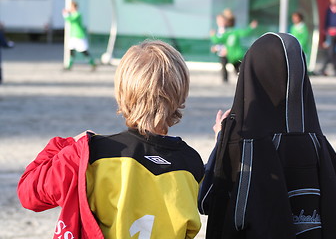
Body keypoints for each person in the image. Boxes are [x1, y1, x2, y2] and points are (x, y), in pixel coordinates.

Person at [17, 40, 205, 239]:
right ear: (181, 93)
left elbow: (30, 193)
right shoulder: (191, 164)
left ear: (122, 92)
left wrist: (68, 145)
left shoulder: (94, 155)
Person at [198, 33, 336, 239]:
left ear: (251, 73)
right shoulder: (318, 144)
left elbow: (207, 200)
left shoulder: (243, 142)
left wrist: (221, 143)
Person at [210, 9, 257, 82]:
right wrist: (251, 27)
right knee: (239, 71)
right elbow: (244, 32)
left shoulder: (228, 33)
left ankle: (241, 81)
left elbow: (217, 40)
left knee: (239, 72)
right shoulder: (231, 32)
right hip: (235, 56)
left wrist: (213, 35)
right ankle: (234, 80)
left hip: (233, 55)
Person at [62, 1, 96, 71]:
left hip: (79, 35)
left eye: (71, 7)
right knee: (71, 50)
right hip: (73, 35)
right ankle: (69, 66)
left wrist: (65, 14)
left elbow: (70, 19)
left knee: (84, 51)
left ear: (74, 7)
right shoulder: (73, 14)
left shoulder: (78, 14)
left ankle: (92, 63)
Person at [211, 14, 229, 83]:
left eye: (221, 20)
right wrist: (216, 48)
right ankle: (225, 80)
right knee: (223, 66)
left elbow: (223, 40)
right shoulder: (219, 30)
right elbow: (219, 42)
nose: (219, 22)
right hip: (221, 51)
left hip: (227, 51)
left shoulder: (227, 30)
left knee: (235, 65)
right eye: (218, 20)